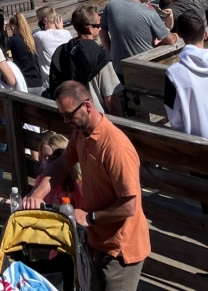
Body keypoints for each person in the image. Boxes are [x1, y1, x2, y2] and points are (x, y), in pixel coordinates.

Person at [24, 80, 150, 291]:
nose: (66, 121)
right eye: (62, 115)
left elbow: (130, 206)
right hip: (98, 241)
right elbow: (63, 163)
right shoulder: (80, 133)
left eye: (69, 115)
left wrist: (90, 216)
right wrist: (37, 194)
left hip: (120, 249)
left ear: (88, 106)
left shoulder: (116, 148)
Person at [49, 4, 123, 115]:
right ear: (89, 29)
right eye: (98, 25)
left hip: (74, 120)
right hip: (97, 121)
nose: (101, 28)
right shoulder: (100, 56)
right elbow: (111, 99)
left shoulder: (61, 52)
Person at [100, 0, 177, 80]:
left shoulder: (111, 5)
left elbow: (102, 31)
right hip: (144, 68)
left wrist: (110, 52)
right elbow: (170, 40)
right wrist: (178, 35)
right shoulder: (149, 12)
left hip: (119, 69)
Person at [164, 9, 208, 138]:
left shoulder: (173, 74)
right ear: (205, 34)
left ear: (179, 35)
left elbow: (174, 120)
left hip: (195, 147)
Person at [38, 132, 84, 209]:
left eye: (50, 157)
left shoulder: (76, 186)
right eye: (44, 156)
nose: (46, 161)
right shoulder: (40, 180)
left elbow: (82, 211)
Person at [33, 3, 71, 88]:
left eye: (39, 19)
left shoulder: (39, 36)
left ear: (45, 20)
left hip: (50, 83)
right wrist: (61, 29)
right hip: (66, 79)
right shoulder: (66, 33)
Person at [7, 12, 43, 95]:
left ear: (13, 27)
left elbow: (0, 49)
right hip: (38, 83)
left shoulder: (13, 40)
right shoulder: (32, 39)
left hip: (24, 83)